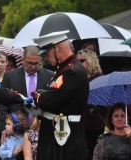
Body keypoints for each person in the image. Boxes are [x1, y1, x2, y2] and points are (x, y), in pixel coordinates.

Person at [28, 30, 89, 160]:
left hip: (64, 138)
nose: (45, 58)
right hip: (59, 135)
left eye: (47, 53)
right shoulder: (66, 70)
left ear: (59, 48)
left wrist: (38, 95)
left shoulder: (70, 72)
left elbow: (46, 101)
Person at [0, 45, 54, 143]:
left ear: (40, 60)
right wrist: (4, 128)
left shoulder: (50, 76)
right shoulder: (10, 76)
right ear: (23, 60)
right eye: (29, 63)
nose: (33, 66)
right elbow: (2, 105)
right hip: (15, 131)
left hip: (41, 131)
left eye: (36, 63)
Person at [76, 49, 107, 160]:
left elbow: (106, 101)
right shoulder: (77, 78)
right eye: (76, 61)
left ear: (90, 61)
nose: (77, 64)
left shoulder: (100, 79)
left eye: (81, 61)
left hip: (95, 125)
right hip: (78, 125)